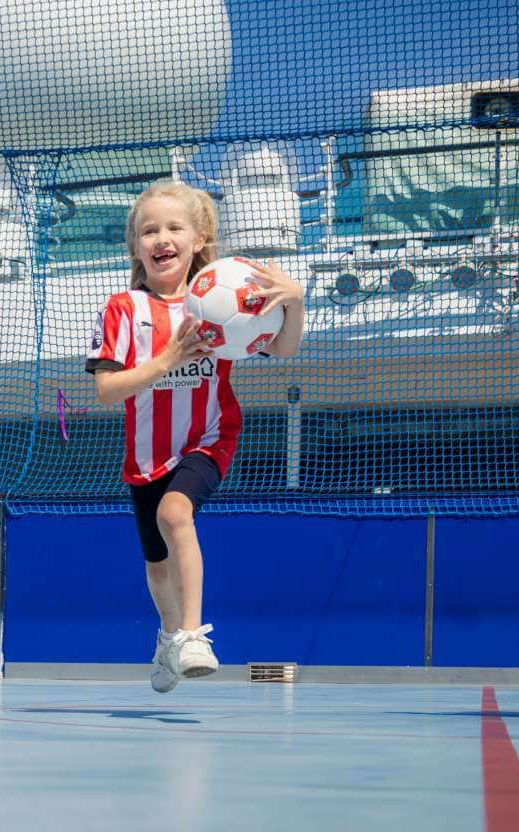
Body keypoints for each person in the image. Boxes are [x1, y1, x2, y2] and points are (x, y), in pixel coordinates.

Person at [86, 180, 305, 693]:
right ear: (136, 245)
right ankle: (168, 636)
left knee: (174, 513)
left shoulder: (226, 301)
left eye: (173, 228)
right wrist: (166, 361)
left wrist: (294, 301)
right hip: (146, 455)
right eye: (149, 230)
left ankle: (192, 633)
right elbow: (107, 391)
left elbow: (285, 349)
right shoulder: (124, 309)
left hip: (210, 436)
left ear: (200, 238)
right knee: (157, 566)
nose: (161, 238)